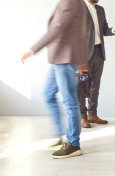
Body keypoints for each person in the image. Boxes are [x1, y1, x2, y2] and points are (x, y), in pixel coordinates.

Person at [21, 0, 87, 159]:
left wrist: (32, 50)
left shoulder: (70, 1)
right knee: (48, 94)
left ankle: (73, 144)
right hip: (59, 57)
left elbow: (56, 29)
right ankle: (59, 135)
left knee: (70, 102)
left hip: (65, 58)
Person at [79, 0, 115, 128]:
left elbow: (104, 30)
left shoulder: (100, 9)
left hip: (99, 52)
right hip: (84, 55)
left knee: (95, 86)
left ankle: (92, 114)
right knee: (82, 87)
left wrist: (114, 30)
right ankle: (82, 117)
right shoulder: (78, 8)